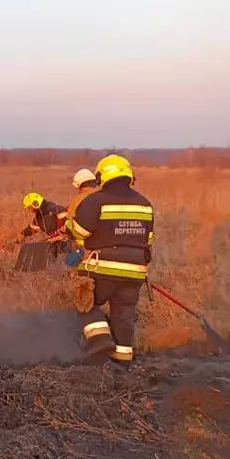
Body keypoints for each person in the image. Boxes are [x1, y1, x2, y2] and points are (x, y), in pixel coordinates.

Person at [66, 154, 154, 364]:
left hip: (103, 266)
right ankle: (123, 359)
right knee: (124, 314)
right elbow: (149, 240)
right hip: (136, 271)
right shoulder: (145, 204)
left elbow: (80, 231)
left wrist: (68, 226)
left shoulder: (96, 200)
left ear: (102, 176)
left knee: (84, 301)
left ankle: (99, 339)